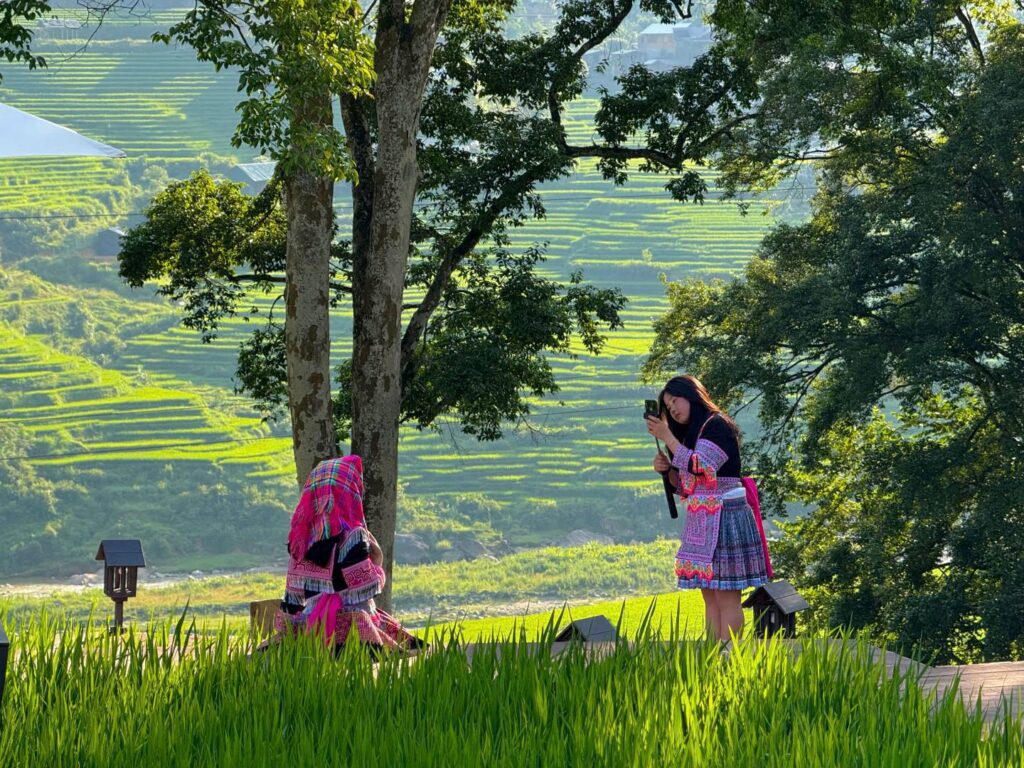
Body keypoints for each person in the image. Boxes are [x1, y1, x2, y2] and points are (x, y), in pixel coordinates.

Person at [647, 375, 771, 642]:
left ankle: (730, 653)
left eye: (675, 401)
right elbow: (686, 485)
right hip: (702, 521)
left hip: (726, 516)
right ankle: (714, 652)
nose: (673, 409)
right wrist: (667, 470)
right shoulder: (689, 435)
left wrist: (667, 437)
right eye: (668, 407)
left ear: (692, 395)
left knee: (726, 595)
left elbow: (702, 465)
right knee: (710, 595)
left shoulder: (717, 425)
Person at [273, 455, 421, 655]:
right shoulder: (353, 536)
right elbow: (365, 587)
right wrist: (378, 564)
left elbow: (292, 601)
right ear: (350, 493)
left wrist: (287, 633)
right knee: (413, 652)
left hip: (314, 628)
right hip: (355, 628)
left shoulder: (300, 541)